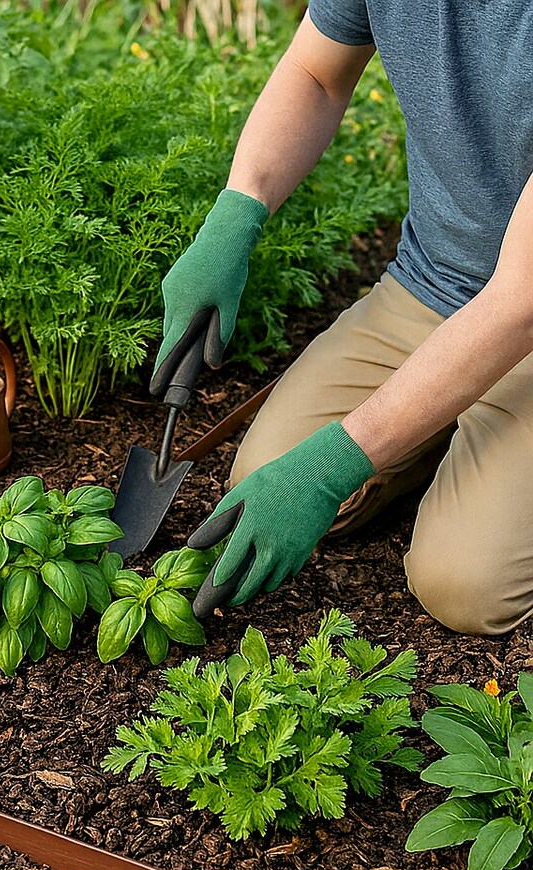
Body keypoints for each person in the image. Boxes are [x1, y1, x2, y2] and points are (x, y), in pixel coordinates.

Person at [151, 2, 533, 635]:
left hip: (524, 309)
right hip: (432, 285)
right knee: (258, 478)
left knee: (465, 587)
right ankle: (439, 438)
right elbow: (315, 72)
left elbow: (518, 302)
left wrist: (332, 467)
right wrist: (234, 217)